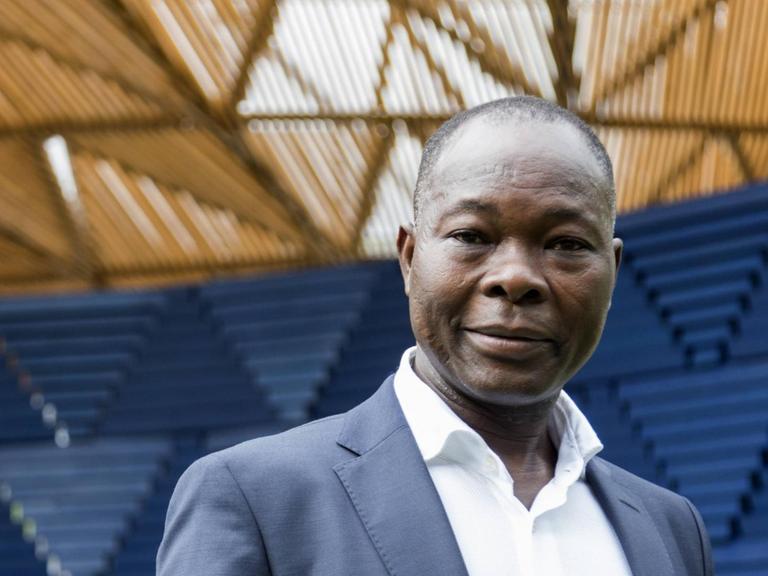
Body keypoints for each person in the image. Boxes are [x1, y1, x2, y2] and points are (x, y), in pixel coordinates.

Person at [157, 96, 713, 575]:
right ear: (409, 257)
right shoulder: (255, 498)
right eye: (472, 235)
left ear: (612, 272)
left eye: (566, 243)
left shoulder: (671, 530)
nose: (515, 277)